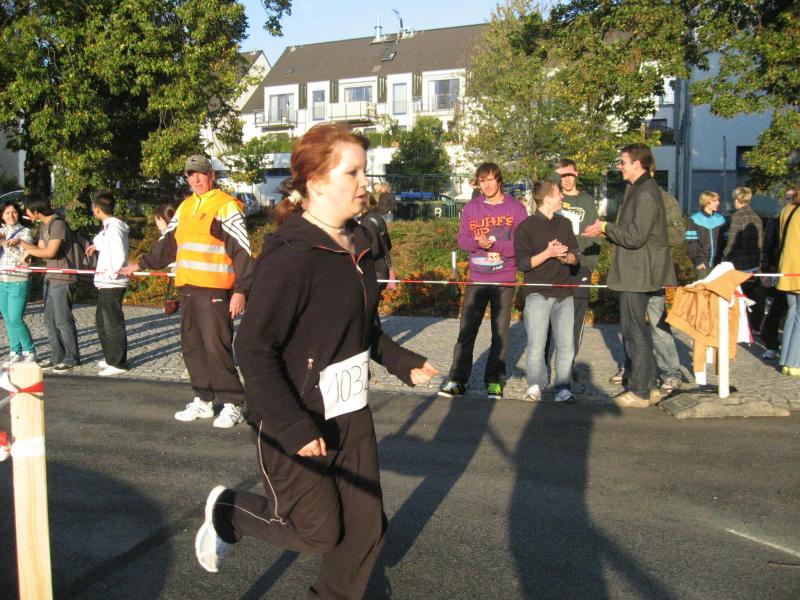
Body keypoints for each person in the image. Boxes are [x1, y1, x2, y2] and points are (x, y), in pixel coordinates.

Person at [193, 123, 438, 598]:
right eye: (353, 172)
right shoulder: (291, 255)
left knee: (366, 529)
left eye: (364, 171)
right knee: (316, 532)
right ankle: (228, 512)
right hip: (294, 414)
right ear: (316, 181)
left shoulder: (358, 245)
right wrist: (293, 426)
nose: (364, 182)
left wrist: (401, 360)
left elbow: (361, 328)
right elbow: (253, 348)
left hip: (349, 412)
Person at [121, 155, 253, 428]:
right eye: (191, 174)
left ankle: (232, 404)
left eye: (200, 173)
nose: (195, 179)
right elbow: (167, 245)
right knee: (192, 347)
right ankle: (203, 400)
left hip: (215, 289)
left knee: (216, 347)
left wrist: (241, 290)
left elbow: (242, 250)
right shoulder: (185, 207)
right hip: (188, 289)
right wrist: (140, 264)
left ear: (211, 175)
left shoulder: (225, 206)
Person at [583, 143, 677, 407]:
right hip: (641, 270)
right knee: (639, 330)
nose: (620, 166)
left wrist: (605, 227)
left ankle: (640, 390)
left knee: (635, 331)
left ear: (637, 164)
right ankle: (648, 385)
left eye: (623, 162)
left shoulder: (645, 192)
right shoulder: (639, 189)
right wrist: (606, 229)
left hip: (639, 272)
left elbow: (635, 237)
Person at [437, 162, 528, 400]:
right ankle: (457, 380)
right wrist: (478, 243)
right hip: (477, 278)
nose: (486, 185)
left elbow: (521, 245)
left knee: (500, 334)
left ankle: (494, 381)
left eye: (490, 180)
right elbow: (462, 239)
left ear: (499, 180)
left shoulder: (516, 209)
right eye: (481, 181)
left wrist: (495, 245)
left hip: (504, 279)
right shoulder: (472, 207)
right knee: (466, 331)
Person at [515, 179, 579, 403]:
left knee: (566, 346)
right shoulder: (526, 227)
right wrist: (548, 253)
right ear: (548, 198)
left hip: (564, 294)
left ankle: (563, 388)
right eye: (558, 192)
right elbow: (522, 264)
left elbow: (576, 256)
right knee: (536, 344)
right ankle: (535, 385)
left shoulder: (565, 223)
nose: (562, 196)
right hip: (537, 293)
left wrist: (565, 257)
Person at [12, 196, 80, 372]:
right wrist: (27, 254)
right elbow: (40, 249)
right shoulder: (44, 225)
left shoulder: (58, 224)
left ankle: (71, 358)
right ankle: (57, 356)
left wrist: (24, 244)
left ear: (36, 211)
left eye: (27, 210)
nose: (26, 214)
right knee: (49, 320)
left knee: (62, 320)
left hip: (63, 278)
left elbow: (50, 252)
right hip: (50, 277)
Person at [554, 158, 600, 374]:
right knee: (552, 316)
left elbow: (594, 234)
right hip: (556, 266)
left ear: (577, 175)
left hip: (580, 266)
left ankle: (568, 364)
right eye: (562, 176)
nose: (566, 180)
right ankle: (548, 362)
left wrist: (587, 263)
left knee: (576, 317)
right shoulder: (554, 199)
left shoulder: (587, 201)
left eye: (570, 175)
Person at [85, 190, 130, 377]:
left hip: (112, 282)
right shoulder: (108, 227)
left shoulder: (114, 227)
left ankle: (118, 362)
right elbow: (102, 240)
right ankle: (110, 356)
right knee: (101, 322)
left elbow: (119, 252)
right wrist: (96, 246)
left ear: (96, 209)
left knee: (112, 323)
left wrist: (113, 272)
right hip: (105, 282)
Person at [0, 200, 36, 365]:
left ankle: (30, 350)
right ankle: (15, 350)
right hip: (2, 280)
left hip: (18, 279)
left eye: (14, 212)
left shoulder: (25, 232)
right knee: (8, 319)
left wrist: (5, 243)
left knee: (15, 318)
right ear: (2, 215)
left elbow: (23, 257)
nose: (10, 215)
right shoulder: (1, 231)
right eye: (7, 212)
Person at [722, 186, 764, 329]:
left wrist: (724, 258)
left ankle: (737, 326)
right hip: (753, 264)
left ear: (737, 199)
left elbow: (732, 242)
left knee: (737, 298)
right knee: (750, 297)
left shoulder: (737, 216)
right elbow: (760, 243)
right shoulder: (756, 217)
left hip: (738, 265)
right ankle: (751, 326)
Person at [759, 189, 792, 359]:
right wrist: (765, 271)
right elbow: (768, 247)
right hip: (776, 271)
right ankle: (771, 345)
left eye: (792, 198)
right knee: (774, 308)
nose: (790, 201)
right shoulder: (775, 220)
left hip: (793, 272)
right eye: (787, 198)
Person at [776, 181, 800, 377]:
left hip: (787, 267)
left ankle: (785, 360)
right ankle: (794, 363)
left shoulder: (787, 210)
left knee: (792, 314)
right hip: (798, 269)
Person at [685, 191, 725, 280]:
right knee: (702, 288)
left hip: (718, 264)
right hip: (702, 265)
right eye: (714, 201)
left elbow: (725, 242)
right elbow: (691, 242)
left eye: (718, 200)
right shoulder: (694, 220)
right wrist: (698, 261)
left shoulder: (721, 219)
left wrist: (724, 259)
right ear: (706, 202)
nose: (718, 203)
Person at [358, 193, 393, 291]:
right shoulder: (378, 219)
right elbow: (388, 245)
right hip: (381, 268)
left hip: (373, 271)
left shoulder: (367, 222)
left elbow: (374, 250)